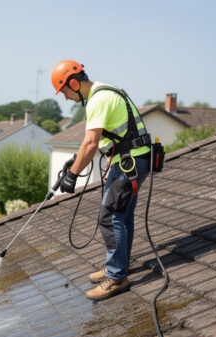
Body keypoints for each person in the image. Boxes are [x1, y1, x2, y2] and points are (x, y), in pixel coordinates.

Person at [51, 60, 152, 301]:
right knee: (122, 215)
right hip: (134, 158)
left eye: (64, 91)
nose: (65, 98)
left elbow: (90, 143)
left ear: (74, 83)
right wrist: (76, 161)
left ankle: (116, 277)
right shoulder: (105, 91)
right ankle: (119, 265)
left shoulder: (97, 99)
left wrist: (72, 175)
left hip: (128, 162)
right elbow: (98, 141)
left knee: (110, 216)